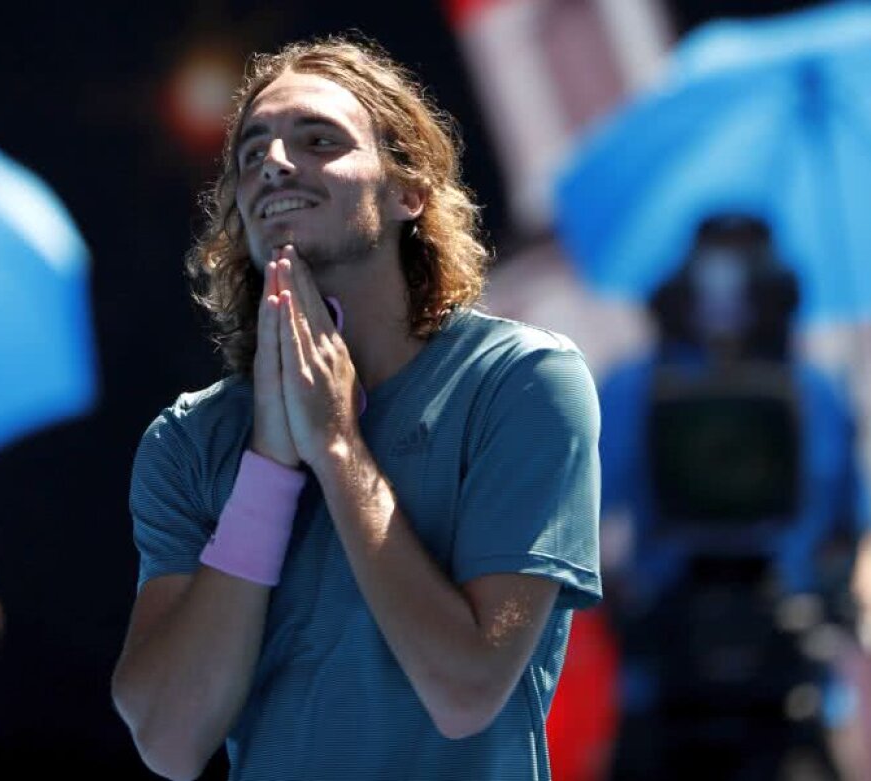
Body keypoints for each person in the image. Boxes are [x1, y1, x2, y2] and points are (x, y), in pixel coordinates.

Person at [111, 36, 601, 781]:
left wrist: (336, 445)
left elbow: (465, 690)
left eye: (318, 140)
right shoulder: (188, 440)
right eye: (251, 153)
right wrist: (271, 467)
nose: (275, 163)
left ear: (410, 193)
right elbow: (172, 743)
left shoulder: (525, 381)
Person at [598, 214, 871, 780]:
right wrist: (615, 604)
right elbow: (575, 521)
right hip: (665, 684)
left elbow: (864, 533)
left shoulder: (818, 392)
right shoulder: (637, 387)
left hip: (796, 685)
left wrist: (855, 600)